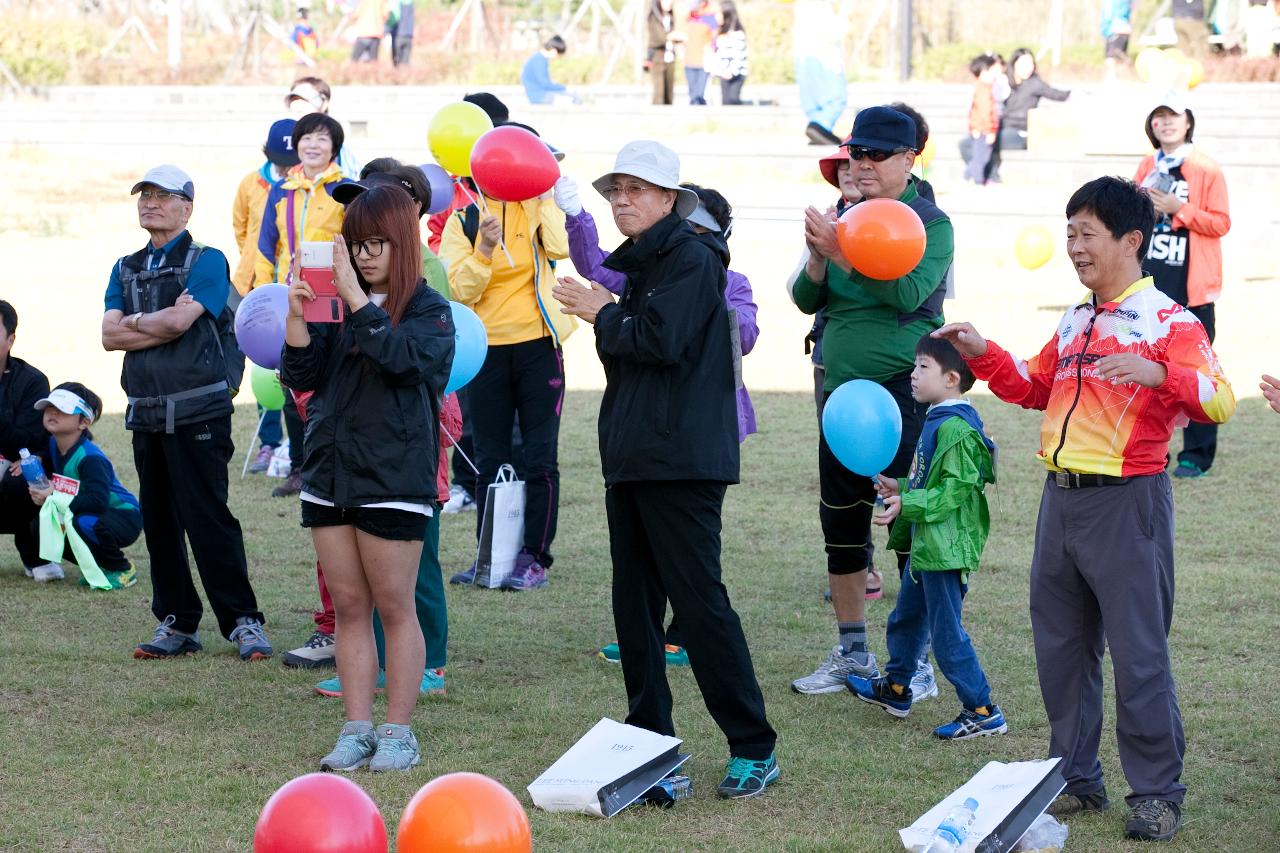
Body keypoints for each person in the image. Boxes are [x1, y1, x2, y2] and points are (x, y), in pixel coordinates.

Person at [935, 176, 1234, 843]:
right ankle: (1076, 777)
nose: (1073, 245)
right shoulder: (1075, 318)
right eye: (1068, 232)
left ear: (1131, 240)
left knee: (1138, 655)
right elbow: (1035, 387)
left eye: (1085, 232)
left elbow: (1219, 399)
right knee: (1062, 651)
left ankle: (1156, 792)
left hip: (1129, 505)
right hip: (1060, 502)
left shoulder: (1170, 321)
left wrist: (1164, 375)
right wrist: (983, 353)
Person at [551, 139, 779, 799]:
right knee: (635, 606)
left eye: (636, 190)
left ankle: (754, 746)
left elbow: (657, 340)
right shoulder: (647, 261)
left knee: (700, 604)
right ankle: (650, 746)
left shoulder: (691, 256)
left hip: (681, 460)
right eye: (615, 190)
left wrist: (603, 311)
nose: (622, 200)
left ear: (670, 199)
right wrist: (609, 308)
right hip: (635, 456)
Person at [281, 185, 454, 772]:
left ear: (402, 243)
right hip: (329, 471)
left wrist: (358, 301)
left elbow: (403, 362)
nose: (364, 255)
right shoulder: (335, 304)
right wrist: (297, 317)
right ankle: (355, 728)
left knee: (394, 606)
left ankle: (399, 731)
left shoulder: (429, 310)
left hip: (394, 478)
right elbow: (302, 374)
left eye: (376, 243)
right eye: (355, 245)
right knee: (350, 606)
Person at [553, 174, 760, 664]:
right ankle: (646, 640)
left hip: (704, 428)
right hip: (648, 430)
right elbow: (597, 268)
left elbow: (743, 336)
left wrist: (696, 309)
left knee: (690, 549)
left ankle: (685, 633)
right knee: (644, 551)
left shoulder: (729, 282)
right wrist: (575, 212)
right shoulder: (647, 272)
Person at [789, 106, 954, 697]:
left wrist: (839, 253)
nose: (863, 164)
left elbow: (907, 292)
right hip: (841, 395)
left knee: (908, 521)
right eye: (857, 153)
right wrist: (816, 259)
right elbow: (808, 299)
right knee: (841, 522)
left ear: (911, 159)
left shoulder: (930, 224)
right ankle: (852, 651)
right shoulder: (843, 216)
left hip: (901, 391)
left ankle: (917, 662)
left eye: (878, 155)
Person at [101, 164, 271, 662]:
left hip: (199, 413)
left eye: (162, 196)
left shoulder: (208, 260)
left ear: (187, 206)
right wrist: (147, 323)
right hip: (146, 413)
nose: (150, 203)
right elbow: (109, 336)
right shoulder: (125, 266)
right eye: (144, 195)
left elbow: (181, 322)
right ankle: (175, 622)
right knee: (158, 521)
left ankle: (243, 621)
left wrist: (137, 322)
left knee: (207, 517)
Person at [846, 336, 1005, 740]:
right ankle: (897, 688)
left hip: (946, 548)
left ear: (951, 379)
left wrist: (909, 504)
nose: (912, 375)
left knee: (947, 632)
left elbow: (955, 491)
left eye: (922, 368)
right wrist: (899, 486)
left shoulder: (957, 429)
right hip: (927, 544)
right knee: (908, 617)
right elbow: (925, 480)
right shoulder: (937, 417)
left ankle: (982, 708)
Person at [440, 125, 574, 591]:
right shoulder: (463, 220)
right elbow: (457, 289)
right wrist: (484, 249)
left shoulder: (537, 206)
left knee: (540, 458)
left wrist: (544, 200)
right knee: (489, 457)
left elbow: (561, 248)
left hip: (539, 345)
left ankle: (534, 557)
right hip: (486, 351)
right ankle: (490, 556)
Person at [1134, 93, 1231, 478]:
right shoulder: (1146, 164)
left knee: (1197, 374)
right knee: (1144, 368)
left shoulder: (1207, 168)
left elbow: (1221, 222)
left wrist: (1180, 210)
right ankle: (1148, 447)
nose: (1166, 122)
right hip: (1149, 285)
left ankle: (1197, 453)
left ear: (1188, 121)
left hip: (1191, 288)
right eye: (1158, 116)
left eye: (1173, 115)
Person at [18, 383, 142, 589]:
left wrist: (52, 495)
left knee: (82, 523)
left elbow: (97, 502)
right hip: (94, 513)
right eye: (49, 407)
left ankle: (121, 568)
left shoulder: (90, 459)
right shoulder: (52, 444)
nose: (53, 412)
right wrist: (39, 459)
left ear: (84, 422)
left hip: (123, 515)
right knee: (40, 526)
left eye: (63, 409)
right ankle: (100, 565)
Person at [234, 118, 300, 477]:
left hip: (296, 293)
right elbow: (241, 227)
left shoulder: (306, 189)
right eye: (280, 160)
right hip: (258, 290)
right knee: (265, 372)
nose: (287, 167)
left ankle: (299, 447)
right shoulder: (251, 184)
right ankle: (268, 443)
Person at [0, 299, 53, 580]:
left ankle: (35, 557)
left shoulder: (32, 381)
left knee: (25, 478)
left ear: (10, 339)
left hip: (14, 465)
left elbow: (29, 439)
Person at [284, 77, 362, 179]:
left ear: (324, 103)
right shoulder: (283, 138)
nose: (297, 105)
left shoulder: (339, 148)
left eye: (304, 99)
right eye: (294, 99)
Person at [794, 0, 847, 144]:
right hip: (823, 46)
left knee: (812, 95)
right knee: (836, 96)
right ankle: (821, 125)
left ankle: (818, 126)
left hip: (803, 48)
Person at [999, 48, 1070, 153]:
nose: (1028, 68)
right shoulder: (1002, 81)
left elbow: (1058, 94)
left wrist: (1077, 94)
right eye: (1023, 64)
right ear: (1014, 64)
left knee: (999, 139)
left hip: (1021, 131)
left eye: (1030, 64)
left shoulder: (1034, 83)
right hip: (1001, 127)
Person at [960, 55, 998, 186]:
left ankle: (968, 176)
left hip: (979, 128)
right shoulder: (983, 90)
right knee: (981, 157)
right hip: (983, 129)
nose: (995, 75)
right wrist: (990, 130)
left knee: (980, 155)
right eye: (992, 72)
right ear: (983, 73)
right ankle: (977, 181)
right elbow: (985, 112)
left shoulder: (980, 87)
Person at [521, 36, 576, 105]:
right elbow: (545, 84)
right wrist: (564, 88)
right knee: (574, 98)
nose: (558, 58)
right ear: (554, 51)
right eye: (559, 55)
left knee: (572, 96)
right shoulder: (539, 60)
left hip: (540, 94)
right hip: (539, 96)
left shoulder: (539, 58)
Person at [713, 0, 748, 105]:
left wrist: (731, 72)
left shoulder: (737, 34)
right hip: (724, 74)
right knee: (725, 102)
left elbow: (739, 56)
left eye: (719, 14)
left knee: (732, 100)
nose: (716, 16)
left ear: (727, 14)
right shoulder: (720, 32)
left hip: (735, 74)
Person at [683, 0, 717, 105]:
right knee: (693, 95)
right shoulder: (689, 19)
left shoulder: (710, 20)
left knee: (700, 95)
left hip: (703, 62)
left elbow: (713, 42)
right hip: (689, 61)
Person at [647, 0, 680, 106]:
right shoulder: (653, 17)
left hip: (670, 57)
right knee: (659, 92)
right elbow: (659, 38)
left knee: (669, 92)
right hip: (658, 56)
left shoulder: (670, 18)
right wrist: (673, 35)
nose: (669, 3)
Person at [1101, 0, 1134, 77]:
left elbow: (1108, 15)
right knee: (1117, 58)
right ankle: (1118, 78)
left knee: (1112, 59)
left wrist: (1105, 29)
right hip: (1122, 28)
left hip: (1115, 29)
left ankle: (1114, 80)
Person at [390, 0, 414, 66]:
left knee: (397, 63)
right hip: (409, 35)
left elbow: (394, 18)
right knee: (405, 64)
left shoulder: (395, 2)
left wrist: (387, 30)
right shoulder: (411, 2)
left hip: (398, 36)